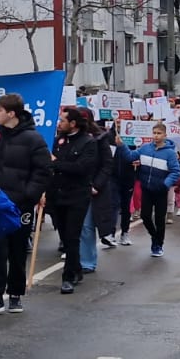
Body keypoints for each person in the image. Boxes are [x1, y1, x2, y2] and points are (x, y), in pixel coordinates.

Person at [0, 94, 50, 316]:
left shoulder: (34, 139)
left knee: (17, 249)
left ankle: (15, 294)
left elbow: (43, 171)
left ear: (11, 113)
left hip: (21, 205)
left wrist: (28, 195)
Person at [47, 107, 99, 294]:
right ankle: (76, 269)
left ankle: (67, 277)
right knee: (64, 236)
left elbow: (81, 168)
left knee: (72, 236)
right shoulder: (57, 141)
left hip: (77, 196)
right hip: (57, 195)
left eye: (62, 120)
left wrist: (55, 163)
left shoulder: (88, 142)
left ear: (73, 123)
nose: (59, 123)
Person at [133, 122, 180, 258]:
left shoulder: (170, 153)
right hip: (147, 189)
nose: (156, 136)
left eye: (159, 133)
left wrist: (165, 184)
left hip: (160, 190)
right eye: (154, 133)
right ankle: (154, 237)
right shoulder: (145, 148)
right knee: (145, 216)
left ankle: (158, 244)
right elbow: (131, 156)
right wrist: (121, 146)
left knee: (160, 219)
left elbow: (176, 171)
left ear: (165, 135)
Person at [78, 110, 111, 274]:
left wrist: (96, 185)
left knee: (86, 226)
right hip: (72, 188)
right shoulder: (67, 138)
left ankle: (87, 261)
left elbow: (107, 164)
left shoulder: (100, 139)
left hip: (91, 188)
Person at [109, 129, 136, 247]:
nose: (120, 121)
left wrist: (138, 161)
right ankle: (111, 234)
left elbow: (138, 153)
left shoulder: (135, 132)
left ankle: (125, 233)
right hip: (113, 177)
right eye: (118, 120)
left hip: (128, 177)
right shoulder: (109, 135)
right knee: (113, 205)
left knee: (126, 207)